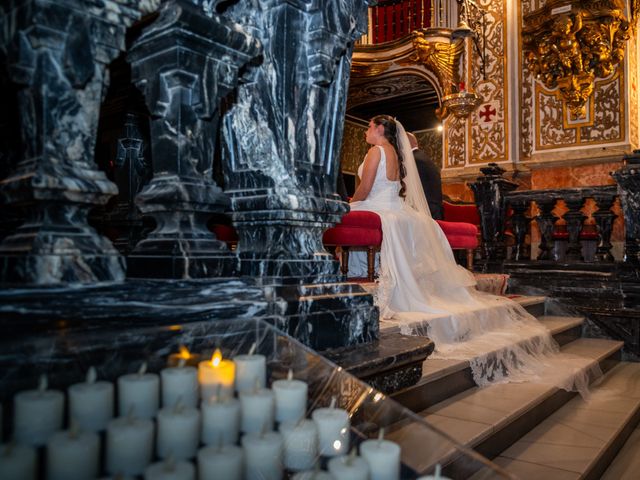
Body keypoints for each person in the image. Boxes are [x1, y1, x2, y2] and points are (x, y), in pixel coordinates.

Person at [347, 115, 593, 394]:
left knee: (341, 215)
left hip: (379, 207)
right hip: (397, 209)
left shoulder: (374, 151)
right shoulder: (395, 152)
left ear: (380, 129)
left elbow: (364, 190)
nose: (367, 130)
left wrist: (348, 204)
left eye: (369, 126)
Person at [406, 132, 443, 220]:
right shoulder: (421, 156)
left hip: (428, 214)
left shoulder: (415, 160)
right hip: (432, 210)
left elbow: (414, 190)